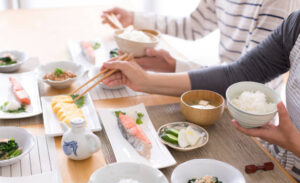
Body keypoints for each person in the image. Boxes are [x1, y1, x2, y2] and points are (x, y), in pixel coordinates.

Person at [101, 10, 300, 182]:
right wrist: (145, 82)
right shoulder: (296, 24)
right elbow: (238, 75)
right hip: (275, 156)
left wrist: (294, 143)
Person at [102, 1, 298, 91]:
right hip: (218, 84)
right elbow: (194, 26)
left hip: (250, 106)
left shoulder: (279, 2)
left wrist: (171, 69)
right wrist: (134, 18)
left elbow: (247, 79)